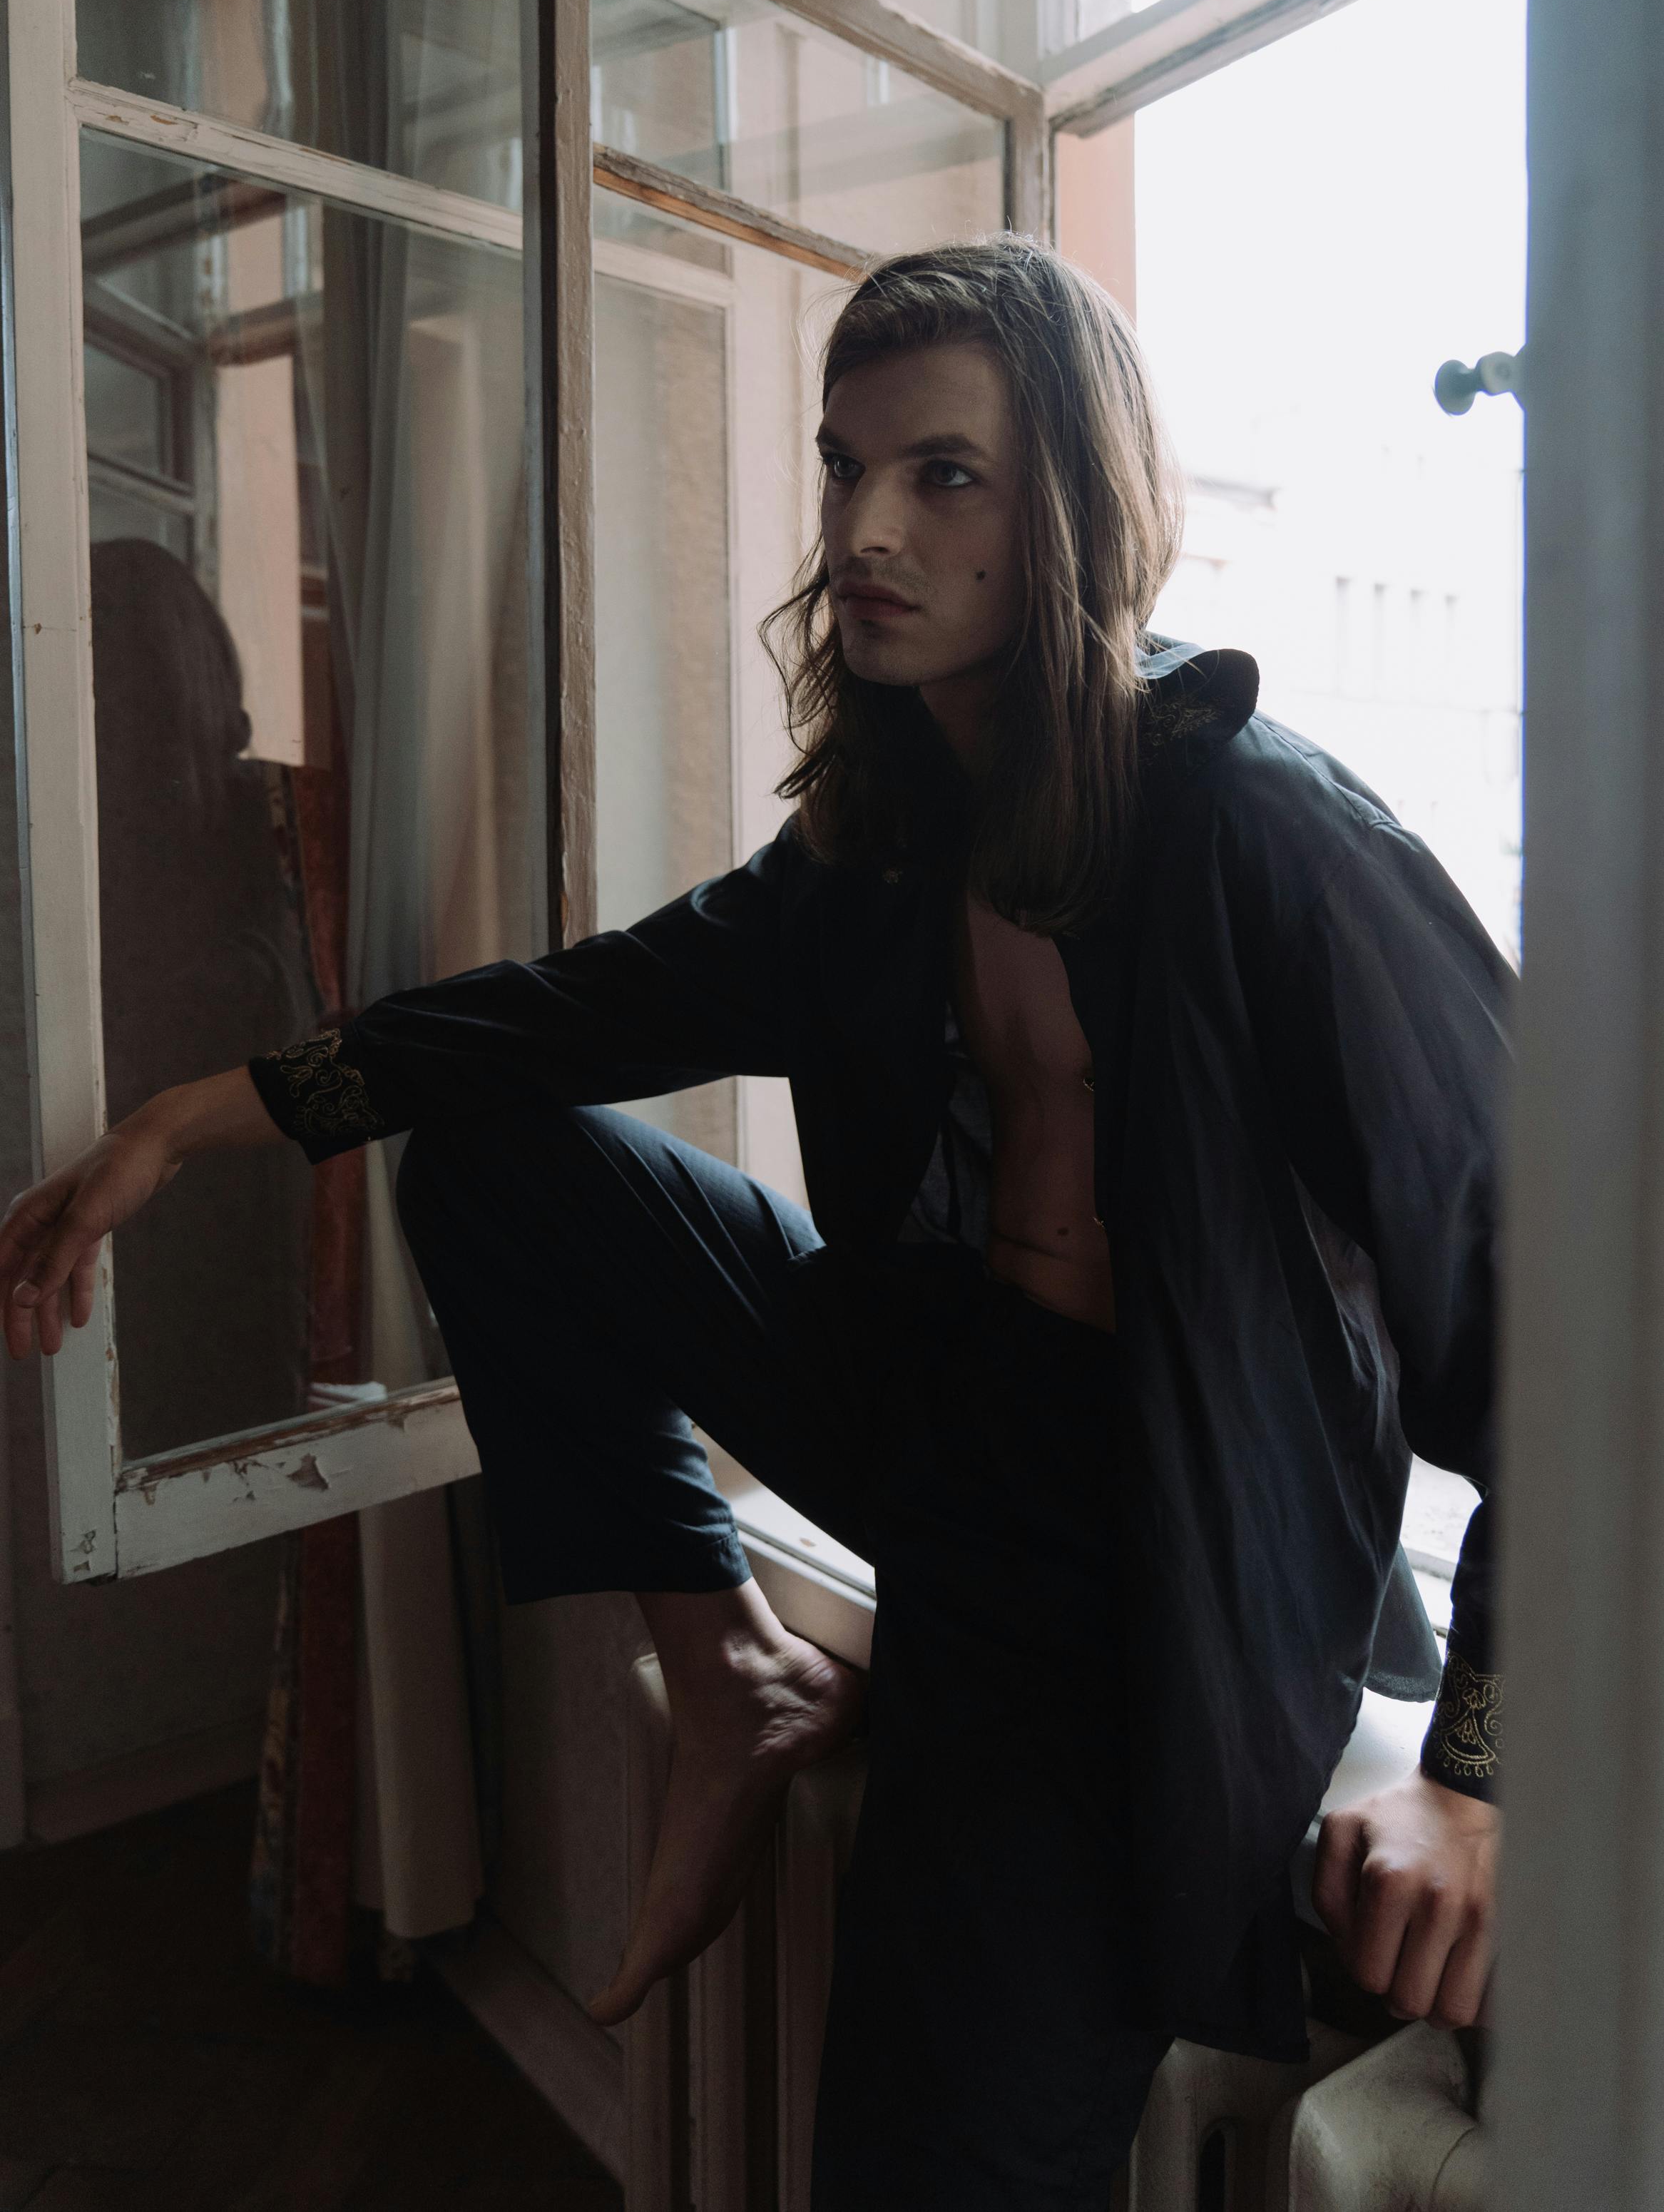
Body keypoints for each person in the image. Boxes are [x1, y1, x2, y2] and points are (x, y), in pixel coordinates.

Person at [0, 241, 1503, 2210]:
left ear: (1070, 499)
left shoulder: (1272, 841)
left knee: (915, 2166)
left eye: (940, 473)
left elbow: (1567, 1328)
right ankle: (734, 1673)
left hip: (1129, 1559)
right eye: (840, 465)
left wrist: (1474, 1772)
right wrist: (189, 1121)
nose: (866, 526)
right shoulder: (872, 857)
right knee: (492, 1151)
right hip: (932, 1399)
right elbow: (558, 1014)